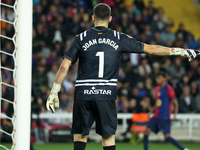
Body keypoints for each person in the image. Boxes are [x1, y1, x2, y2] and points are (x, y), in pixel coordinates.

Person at [46, 3, 196, 150]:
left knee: (80, 137)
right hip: (106, 94)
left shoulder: (81, 37)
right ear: (110, 19)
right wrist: (179, 51)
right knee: (108, 139)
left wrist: (54, 91)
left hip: (83, 94)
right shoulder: (118, 38)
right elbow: (150, 49)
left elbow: (65, 66)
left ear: (92, 18)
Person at [143, 72, 189, 150]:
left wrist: (175, 114)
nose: (158, 80)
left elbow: (175, 102)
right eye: (157, 78)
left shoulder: (169, 88)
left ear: (164, 79)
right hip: (156, 116)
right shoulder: (157, 88)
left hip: (164, 117)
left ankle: (184, 149)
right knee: (146, 132)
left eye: (159, 78)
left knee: (167, 137)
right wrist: (151, 111)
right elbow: (158, 103)